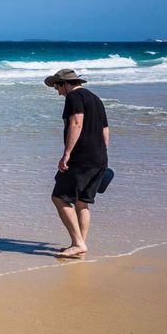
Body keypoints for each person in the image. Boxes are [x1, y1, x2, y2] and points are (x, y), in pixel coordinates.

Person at [44, 69, 109, 258]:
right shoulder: (95, 99)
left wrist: (67, 154)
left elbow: (76, 123)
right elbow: (105, 129)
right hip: (99, 158)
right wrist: (101, 154)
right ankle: (79, 244)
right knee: (82, 202)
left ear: (65, 83)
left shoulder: (73, 97)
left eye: (57, 87)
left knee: (59, 197)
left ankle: (78, 243)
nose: (58, 92)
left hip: (81, 158)